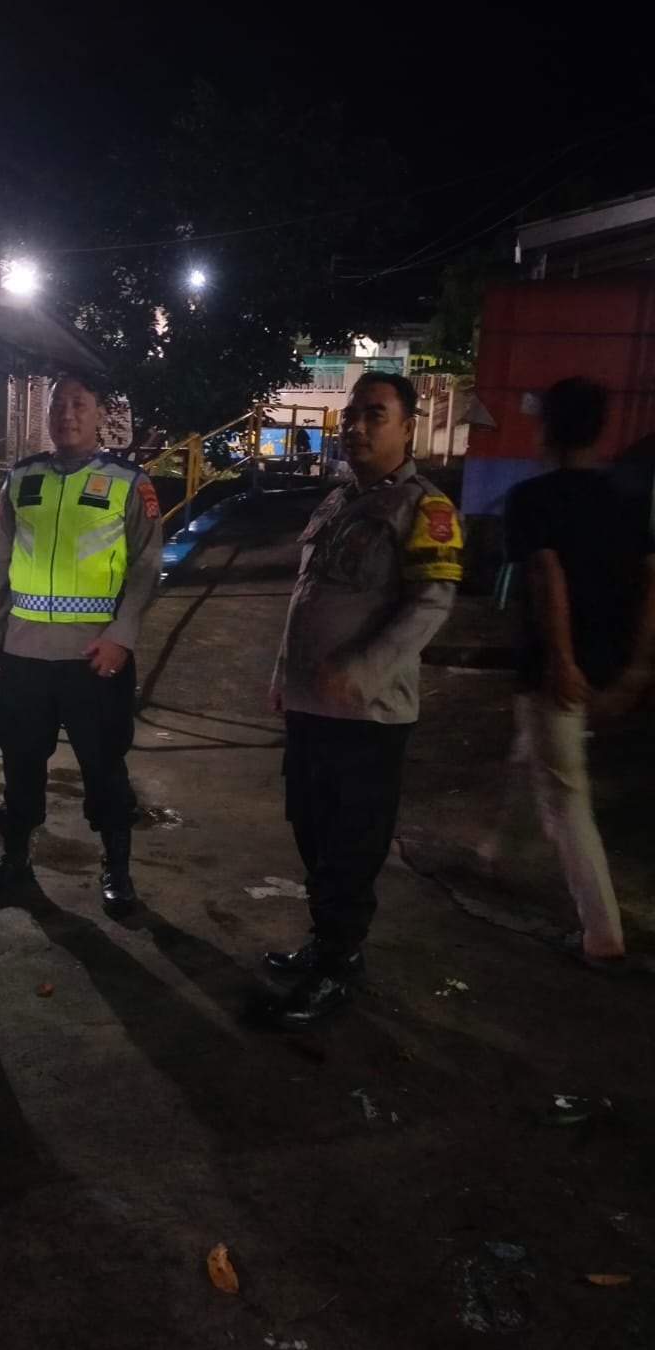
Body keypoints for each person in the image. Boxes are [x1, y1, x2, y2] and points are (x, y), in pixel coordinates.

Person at [257, 372, 463, 1029]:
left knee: (351, 846)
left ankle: (338, 966)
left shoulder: (424, 509)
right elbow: (307, 595)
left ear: (408, 427)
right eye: (351, 415)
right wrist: (284, 675)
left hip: (367, 718)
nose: (356, 427)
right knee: (311, 831)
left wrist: (364, 671)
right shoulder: (339, 500)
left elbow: (430, 604)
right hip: (312, 708)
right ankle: (327, 944)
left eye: (375, 414)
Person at [0, 373, 164, 916]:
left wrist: (121, 637)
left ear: (101, 415)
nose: (67, 414)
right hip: (25, 654)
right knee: (20, 765)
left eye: (80, 404)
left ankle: (117, 869)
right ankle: (15, 862)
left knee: (104, 768)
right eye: (59, 404)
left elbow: (147, 568)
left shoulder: (129, 482)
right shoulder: (22, 477)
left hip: (94, 658)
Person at [497, 377, 655, 968]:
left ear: (547, 429)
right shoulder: (627, 500)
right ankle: (495, 851)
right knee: (538, 758)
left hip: (556, 673)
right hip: (609, 665)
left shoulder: (531, 499)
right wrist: (637, 667)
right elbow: (651, 581)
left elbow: (547, 577)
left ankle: (602, 934)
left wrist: (561, 660)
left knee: (567, 801)